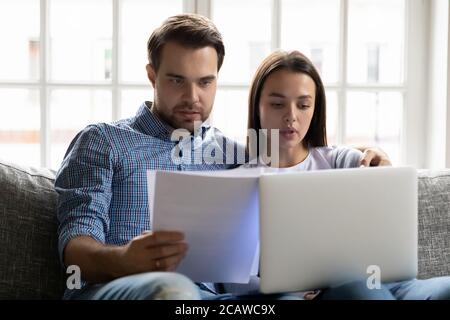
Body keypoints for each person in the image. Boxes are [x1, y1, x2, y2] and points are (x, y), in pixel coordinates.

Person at [56, 14, 394, 300]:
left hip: (220, 299)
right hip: (120, 287)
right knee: (175, 289)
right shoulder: (104, 141)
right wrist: (126, 259)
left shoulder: (234, 155)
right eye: (177, 80)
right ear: (151, 76)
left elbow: (299, 160)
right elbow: (74, 251)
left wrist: (366, 154)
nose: (192, 96)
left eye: (205, 82)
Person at [243, 49, 450, 300]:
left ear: (315, 108)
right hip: (328, 293)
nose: (291, 116)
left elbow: (379, 183)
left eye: (304, 105)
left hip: (393, 284)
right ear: (257, 106)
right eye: (277, 104)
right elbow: (234, 281)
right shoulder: (240, 181)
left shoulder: (339, 160)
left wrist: (381, 163)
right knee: (359, 290)